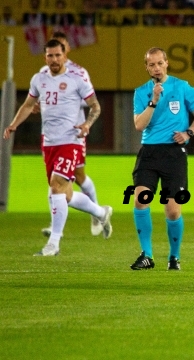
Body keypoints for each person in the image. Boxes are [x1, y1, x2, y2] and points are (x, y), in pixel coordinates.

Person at [3, 39, 113, 256]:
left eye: (57, 55)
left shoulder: (76, 78)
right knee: (66, 195)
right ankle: (101, 212)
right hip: (49, 142)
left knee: (56, 187)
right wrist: (14, 124)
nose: (54, 59)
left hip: (70, 140)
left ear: (65, 56)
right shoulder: (39, 78)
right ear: (45, 57)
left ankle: (54, 243)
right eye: (50, 56)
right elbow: (28, 105)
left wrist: (87, 124)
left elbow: (95, 106)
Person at [130, 47, 194, 271]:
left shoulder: (182, 87)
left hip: (174, 153)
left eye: (159, 63)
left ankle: (174, 257)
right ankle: (147, 255)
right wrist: (153, 100)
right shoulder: (141, 92)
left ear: (167, 64)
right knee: (140, 199)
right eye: (151, 64)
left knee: (173, 210)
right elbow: (139, 125)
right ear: (146, 67)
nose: (156, 68)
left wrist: (188, 133)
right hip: (149, 152)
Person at [39, 31, 104, 238]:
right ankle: (57, 224)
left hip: (74, 131)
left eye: (62, 48)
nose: (57, 54)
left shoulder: (79, 73)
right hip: (50, 134)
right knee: (55, 182)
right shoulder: (43, 73)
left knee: (77, 176)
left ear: (66, 50)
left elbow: (89, 99)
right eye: (54, 50)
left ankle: (96, 212)